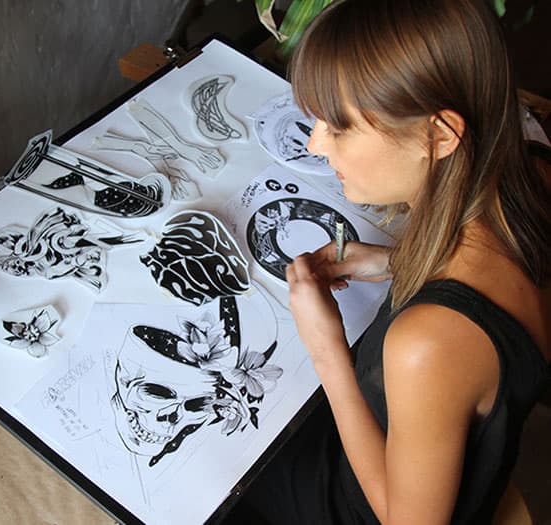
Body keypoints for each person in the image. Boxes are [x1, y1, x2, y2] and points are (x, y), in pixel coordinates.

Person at [229, 0, 551, 523]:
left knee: (230, 473)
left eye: (339, 127)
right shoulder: (534, 174)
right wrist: (394, 260)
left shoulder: (426, 343)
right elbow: (491, 290)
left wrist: (327, 353)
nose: (315, 143)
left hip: (367, 501)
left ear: (438, 136)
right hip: (439, 446)